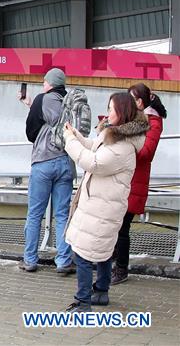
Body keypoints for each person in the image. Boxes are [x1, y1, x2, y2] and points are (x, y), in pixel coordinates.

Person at [63, 92, 148, 312]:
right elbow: (94, 146)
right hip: (100, 205)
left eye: (111, 109)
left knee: (82, 254)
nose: (108, 112)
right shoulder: (114, 135)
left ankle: (83, 302)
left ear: (122, 112)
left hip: (102, 208)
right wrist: (77, 136)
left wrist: (70, 142)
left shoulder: (123, 146)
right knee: (102, 251)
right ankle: (100, 291)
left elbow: (93, 163)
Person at [18, 68, 76, 274]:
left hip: (43, 161)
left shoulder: (43, 99)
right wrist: (31, 105)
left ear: (51, 82)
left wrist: (33, 105)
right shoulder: (70, 101)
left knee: (35, 214)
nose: (43, 85)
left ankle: (30, 260)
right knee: (62, 214)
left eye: (44, 81)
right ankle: (63, 261)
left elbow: (31, 131)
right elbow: (56, 122)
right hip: (66, 162)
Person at [113, 83, 167, 284]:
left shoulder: (153, 121)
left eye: (133, 98)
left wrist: (125, 142)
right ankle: (112, 262)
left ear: (141, 101)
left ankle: (121, 269)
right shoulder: (130, 119)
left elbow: (147, 153)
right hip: (122, 177)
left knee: (123, 226)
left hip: (136, 180)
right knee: (116, 223)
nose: (129, 102)